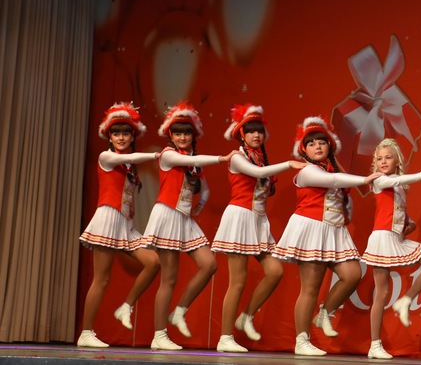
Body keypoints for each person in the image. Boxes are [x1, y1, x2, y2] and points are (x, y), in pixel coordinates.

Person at [272, 115, 382, 356]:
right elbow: (332, 180)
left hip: (334, 230)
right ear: (304, 150)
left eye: (322, 142)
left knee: (352, 274)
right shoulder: (308, 171)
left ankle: (325, 312)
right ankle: (301, 340)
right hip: (312, 228)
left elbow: (340, 187)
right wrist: (364, 179)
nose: (317, 146)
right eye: (311, 144)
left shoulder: (331, 167)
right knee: (310, 288)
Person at [211, 104, 308, 353]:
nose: (256, 135)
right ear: (241, 134)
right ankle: (225, 337)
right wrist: (289, 164)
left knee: (275, 271)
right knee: (238, 281)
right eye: (251, 131)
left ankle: (246, 316)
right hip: (240, 218)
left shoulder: (259, 157)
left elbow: (261, 173)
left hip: (257, 220)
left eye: (259, 131)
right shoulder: (237, 157)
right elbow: (257, 172)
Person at [143, 101, 234, 351]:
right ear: (170, 135)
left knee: (209, 264)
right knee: (169, 278)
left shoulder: (193, 163)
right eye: (177, 133)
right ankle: (159, 334)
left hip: (184, 218)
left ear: (193, 136)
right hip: (167, 215)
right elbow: (196, 161)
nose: (182, 137)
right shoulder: (168, 155)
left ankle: (179, 310)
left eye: (187, 133)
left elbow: (205, 189)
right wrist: (222, 158)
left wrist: (199, 206)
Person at [77, 102, 161, 348]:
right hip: (107, 219)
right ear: (109, 137)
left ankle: (126, 306)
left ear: (133, 136)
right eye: (116, 133)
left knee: (153, 262)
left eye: (126, 133)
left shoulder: (129, 166)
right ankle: (86, 332)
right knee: (101, 279)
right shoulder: (107, 157)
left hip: (125, 224)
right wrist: (155, 155)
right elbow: (132, 156)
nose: (121, 137)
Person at [361, 138, 421, 360]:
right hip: (381, 238)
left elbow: (396, 210)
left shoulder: (398, 185)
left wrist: (409, 223)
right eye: (379, 158)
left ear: (397, 160)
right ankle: (375, 344)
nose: (383, 161)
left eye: (388, 157)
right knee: (382, 293)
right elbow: (396, 182)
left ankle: (405, 300)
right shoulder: (380, 180)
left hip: (395, 237)